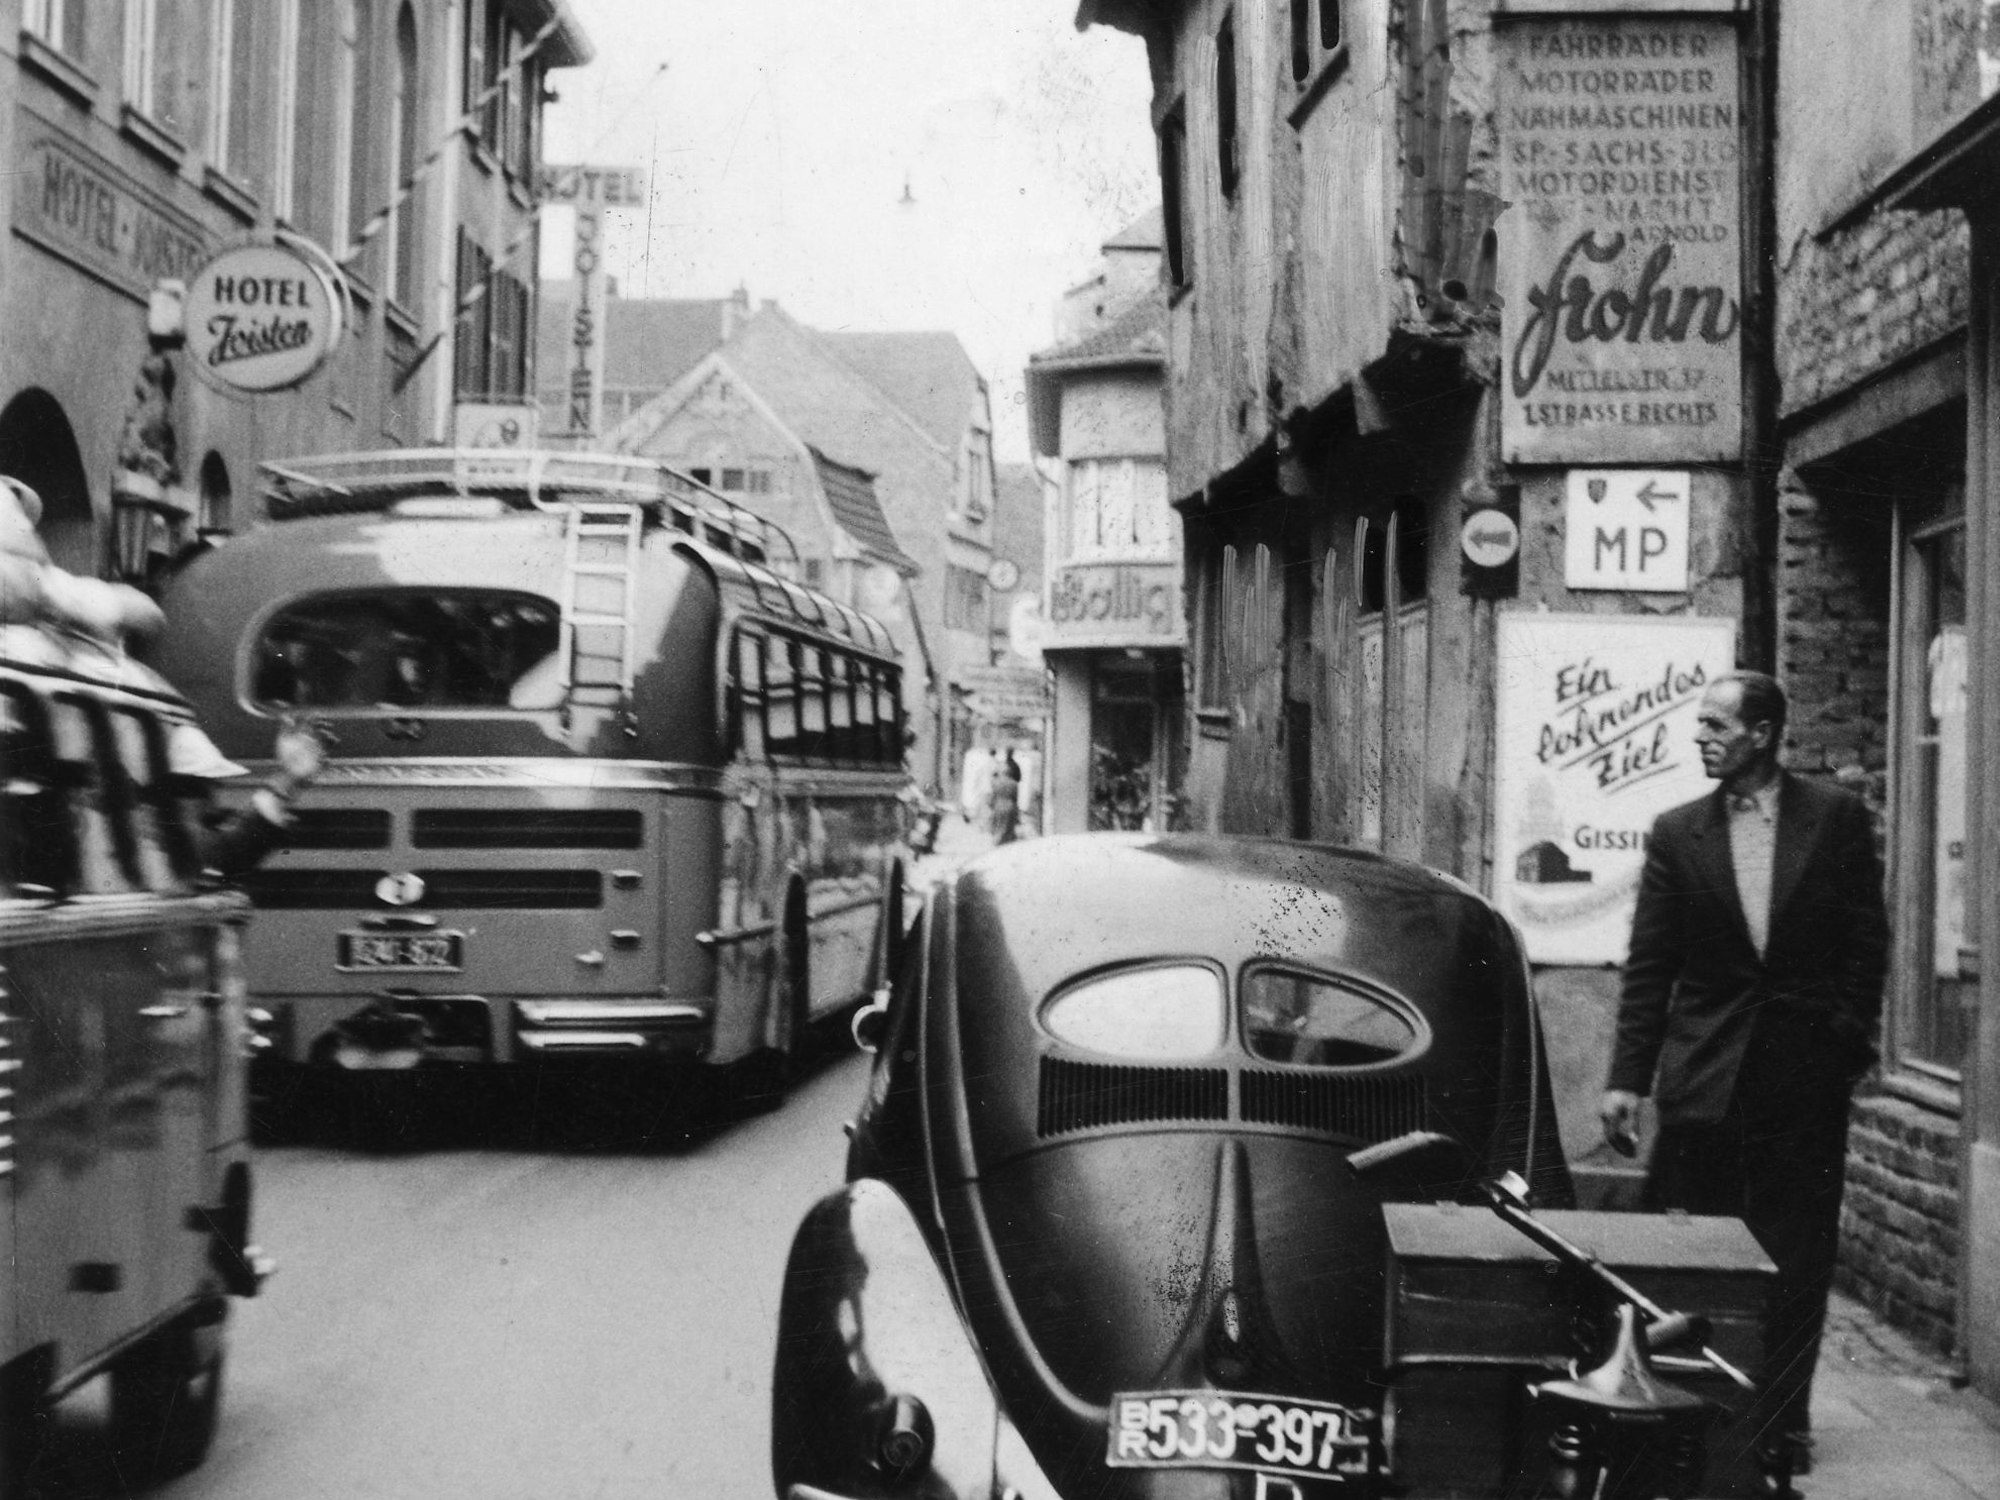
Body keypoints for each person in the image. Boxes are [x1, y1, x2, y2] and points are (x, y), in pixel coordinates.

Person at [1600, 671, 1887, 1472]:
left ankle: (1781, 1421)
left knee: (1797, 1252)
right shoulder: (1677, 831)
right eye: (1699, 724)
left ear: (1764, 734)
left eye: (1718, 724)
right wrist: (1628, 1077)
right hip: (1707, 1076)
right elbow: (1651, 966)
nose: (1702, 737)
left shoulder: (1833, 821)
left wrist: (1842, 1048)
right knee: (1695, 1248)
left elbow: (1868, 947)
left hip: (1802, 1079)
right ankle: (1695, 1407)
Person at [169, 717, 327, 879]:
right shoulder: (167, 833)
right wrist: (289, 777)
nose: (210, 801)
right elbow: (221, 855)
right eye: (197, 788)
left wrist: (290, 779)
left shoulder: (174, 824)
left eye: (212, 784)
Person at [989, 748, 1021, 845]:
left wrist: (991, 807)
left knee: (998, 827)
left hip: (998, 806)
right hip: (1010, 806)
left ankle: (997, 843)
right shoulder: (1014, 783)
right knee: (1009, 830)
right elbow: (1015, 798)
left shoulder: (995, 783)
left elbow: (993, 797)